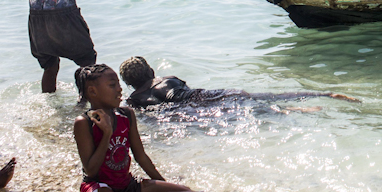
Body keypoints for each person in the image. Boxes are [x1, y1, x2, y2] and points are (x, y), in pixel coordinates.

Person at [54, 64, 194, 192]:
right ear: (93, 91)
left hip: (127, 183)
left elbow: (140, 156)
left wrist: (162, 182)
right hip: (99, 185)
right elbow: (91, 170)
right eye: (112, 85)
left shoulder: (126, 114)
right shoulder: (84, 123)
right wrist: (106, 133)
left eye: (119, 85)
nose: (119, 90)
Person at [118, 56, 360, 108]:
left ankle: (296, 110)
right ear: (150, 70)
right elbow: (187, 91)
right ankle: (325, 95)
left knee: (252, 110)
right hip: (209, 94)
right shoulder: (168, 79)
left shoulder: (134, 100)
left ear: (129, 83)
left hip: (195, 110)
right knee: (261, 97)